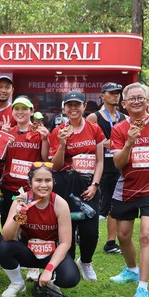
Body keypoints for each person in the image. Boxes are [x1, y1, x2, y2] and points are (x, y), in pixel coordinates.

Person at [109, 82, 149, 297]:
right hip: (127, 188)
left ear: (147, 101)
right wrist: (129, 143)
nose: (136, 101)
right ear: (124, 104)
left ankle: (142, 288)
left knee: (145, 236)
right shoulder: (119, 129)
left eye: (140, 97)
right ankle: (132, 270)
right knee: (123, 236)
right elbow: (118, 163)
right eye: (131, 98)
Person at [0, 162, 80, 297]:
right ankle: (17, 283)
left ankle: (49, 281)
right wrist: (18, 215)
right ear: (30, 183)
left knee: (70, 278)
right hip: (28, 251)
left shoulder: (60, 204)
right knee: (3, 247)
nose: (43, 185)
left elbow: (65, 242)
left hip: (51, 253)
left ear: (53, 182)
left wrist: (49, 269)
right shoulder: (21, 200)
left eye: (47, 180)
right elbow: (7, 237)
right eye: (38, 180)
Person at [49, 90, 105, 282]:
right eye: (69, 105)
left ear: (84, 106)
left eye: (77, 105)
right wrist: (62, 144)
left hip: (90, 185)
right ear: (64, 108)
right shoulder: (58, 131)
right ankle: (68, 264)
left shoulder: (94, 129)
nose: (73, 108)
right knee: (68, 227)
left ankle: (86, 261)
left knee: (90, 231)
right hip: (66, 185)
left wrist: (95, 185)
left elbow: (99, 161)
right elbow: (56, 166)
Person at [86, 82, 126, 254]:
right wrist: (103, 144)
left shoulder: (124, 117)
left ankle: (110, 242)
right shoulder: (94, 117)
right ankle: (82, 233)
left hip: (117, 166)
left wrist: (116, 144)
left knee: (113, 206)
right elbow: (86, 142)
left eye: (117, 92)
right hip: (99, 167)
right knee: (94, 204)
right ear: (102, 95)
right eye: (111, 93)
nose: (115, 95)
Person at [0, 96, 49, 227]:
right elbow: (1, 157)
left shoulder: (39, 132)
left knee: (28, 225)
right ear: (12, 112)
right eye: (17, 109)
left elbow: (45, 158)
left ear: (32, 112)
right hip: (9, 187)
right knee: (8, 224)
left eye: (24, 109)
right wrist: (3, 139)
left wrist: (45, 139)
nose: (20, 112)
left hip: (30, 188)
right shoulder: (9, 131)